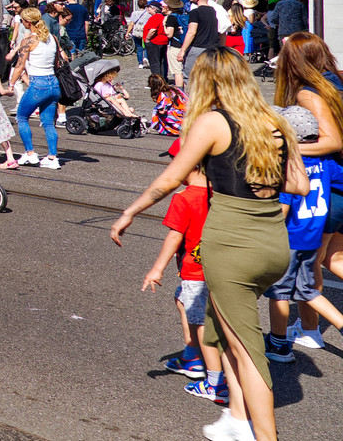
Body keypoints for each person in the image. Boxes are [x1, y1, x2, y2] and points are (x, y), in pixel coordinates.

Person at [110, 48, 306, 441]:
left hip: (232, 244)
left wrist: (129, 212)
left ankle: (263, 434)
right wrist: (257, 171)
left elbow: (170, 179)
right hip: (272, 242)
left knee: (247, 349)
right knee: (220, 323)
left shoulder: (213, 122)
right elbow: (298, 184)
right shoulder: (273, 121)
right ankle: (236, 416)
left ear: (205, 82)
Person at [269, 32, 343, 351]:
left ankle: (310, 331)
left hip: (331, 188)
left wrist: (283, 145)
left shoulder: (309, 92)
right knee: (334, 256)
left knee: (310, 262)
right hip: (339, 182)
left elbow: (332, 141)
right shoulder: (336, 82)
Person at [140, 157, 225, 405]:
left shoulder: (184, 198)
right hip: (222, 267)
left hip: (196, 271)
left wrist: (157, 269)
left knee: (201, 323)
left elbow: (174, 236)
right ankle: (190, 354)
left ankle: (215, 382)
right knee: (181, 299)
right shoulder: (222, 192)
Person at [8, 8, 64, 170]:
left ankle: (30, 153)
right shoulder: (53, 38)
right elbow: (57, 63)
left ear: (28, 22)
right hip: (53, 83)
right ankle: (52, 157)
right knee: (48, 123)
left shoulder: (28, 41)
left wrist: (11, 84)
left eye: (22, 21)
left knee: (22, 117)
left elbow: (19, 66)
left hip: (38, 84)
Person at [175, 0, 223, 86]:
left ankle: (193, 95)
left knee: (190, 76)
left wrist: (182, 50)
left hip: (198, 47)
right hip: (213, 47)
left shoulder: (195, 12)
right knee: (210, 77)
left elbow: (191, 32)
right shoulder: (213, 11)